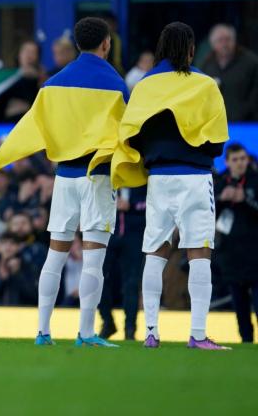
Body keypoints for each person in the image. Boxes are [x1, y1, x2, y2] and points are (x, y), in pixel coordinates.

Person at [0, 17, 129, 348]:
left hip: (64, 177)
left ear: (77, 44)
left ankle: (43, 331)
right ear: (106, 44)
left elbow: (29, 129)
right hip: (98, 177)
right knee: (94, 258)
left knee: (56, 254)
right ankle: (86, 333)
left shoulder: (52, 84)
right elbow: (128, 136)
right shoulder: (116, 84)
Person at [111, 22, 230, 350]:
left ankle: (151, 331)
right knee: (200, 254)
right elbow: (218, 141)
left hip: (159, 179)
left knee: (155, 252)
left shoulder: (145, 87)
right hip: (195, 177)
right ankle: (198, 334)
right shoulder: (205, 85)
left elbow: (130, 133)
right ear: (192, 49)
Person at [214, 143, 258, 343]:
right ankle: (246, 342)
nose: (240, 163)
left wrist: (246, 200)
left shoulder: (256, 180)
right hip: (230, 255)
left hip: (255, 254)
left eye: (243, 159)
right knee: (239, 307)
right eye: (235, 159)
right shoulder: (220, 182)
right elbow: (208, 214)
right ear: (227, 162)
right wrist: (221, 200)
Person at [97, 186, 147, 341]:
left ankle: (130, 329)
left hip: (134, 235)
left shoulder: (141, 176)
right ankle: (107, 322)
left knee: (131, 283)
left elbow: (152, 203)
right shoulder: (107, 176)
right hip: (107, 233)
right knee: (98, 278)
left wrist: (131, 205)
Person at [200, 24, 258, 121]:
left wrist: (246, 112)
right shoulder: (207, 65)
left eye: (228, 39)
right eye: (220, 40)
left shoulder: (251, 62)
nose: (224, 44)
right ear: (212, 44)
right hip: (217, 124)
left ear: (234, 41)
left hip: (247, 124)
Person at [0, 233, 39, 306]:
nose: (8, 247)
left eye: (12, 243)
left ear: (19, 247)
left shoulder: (28, 267)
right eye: (4, 243)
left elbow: (34, 298)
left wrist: (17, 274)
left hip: (21, 315)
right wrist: (1, 279)